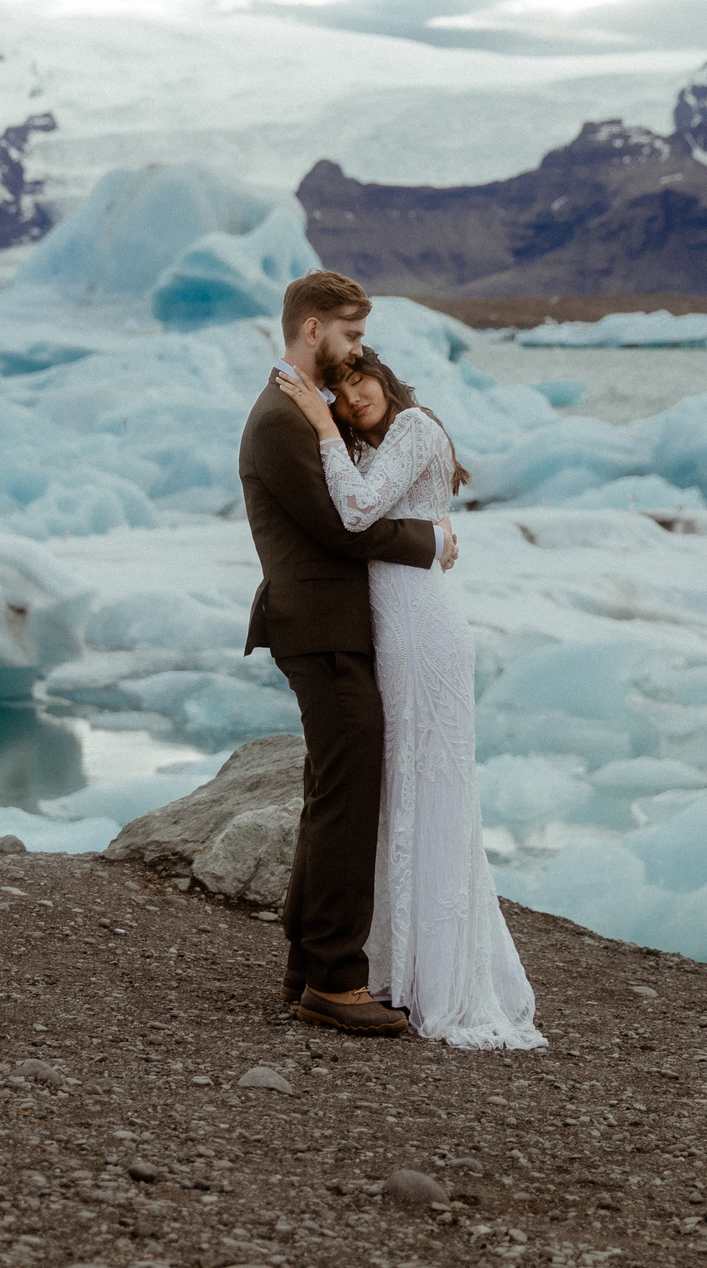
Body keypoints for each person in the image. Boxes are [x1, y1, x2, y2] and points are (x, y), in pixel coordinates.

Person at [274, 345, 546, 1050]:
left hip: (425, 633)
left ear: (384, 377)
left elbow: (358, 511)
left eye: (358, 377)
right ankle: (398, 967)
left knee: (435, 788)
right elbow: (344, 519)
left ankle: (449, 979)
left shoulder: (415, 426)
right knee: (397, 793)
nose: (351, 394)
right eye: (335, 388)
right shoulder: (367, 446)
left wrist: (320, 423)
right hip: (389, 636)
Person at [239, 270, 455, 1037]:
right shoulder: (280, 421)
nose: (360, 350)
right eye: (352, 335)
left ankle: (307, 963)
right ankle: (336, 980)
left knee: (332, 791)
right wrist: (430, 538)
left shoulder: (307, 413)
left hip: (336, 628)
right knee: (348, 796)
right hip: (320, 631)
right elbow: (343, 528)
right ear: (311, 330)